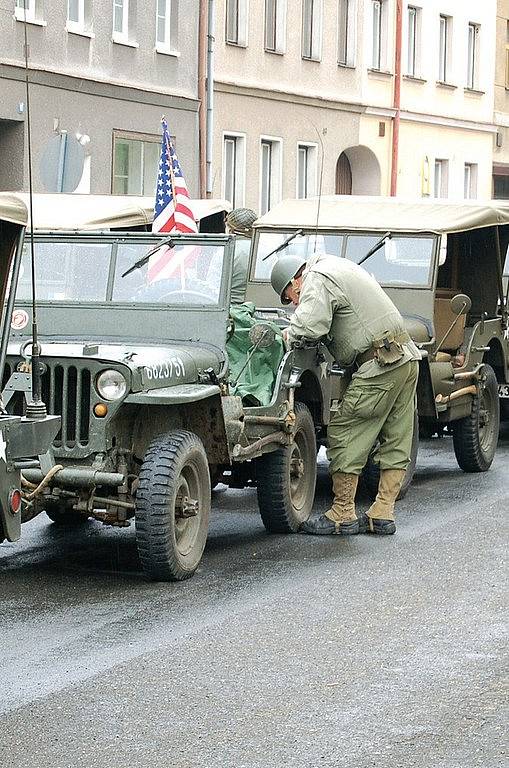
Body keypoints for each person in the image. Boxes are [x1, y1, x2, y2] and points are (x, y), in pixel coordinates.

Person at [270, 251, 421, 536]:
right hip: (405, 357)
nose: (292, 302)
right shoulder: (339, 266)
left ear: (295, 280)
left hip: (379, 363)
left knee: (343, 430)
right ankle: (383, 512)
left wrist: (287, 334)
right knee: (396, 437)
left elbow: (310, 324)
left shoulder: (317, 277)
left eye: (289, 295)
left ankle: (342, 512)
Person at [225, 208, 257, 304]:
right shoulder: (266, 251)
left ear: (231, 229)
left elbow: (213, 286)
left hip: (229, 309)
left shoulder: (224, 251)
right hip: (259, 308)